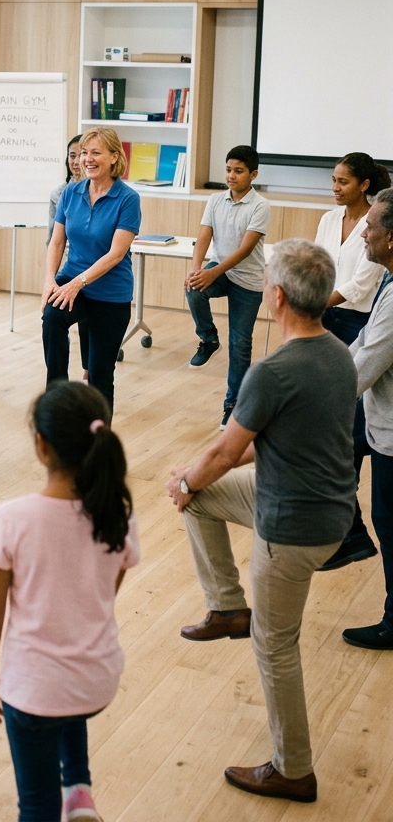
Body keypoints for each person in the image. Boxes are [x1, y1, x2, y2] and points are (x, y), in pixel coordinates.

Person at [167, 239, 357, 804]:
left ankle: (292, 768)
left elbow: (226, 452)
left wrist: (184, 478)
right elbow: (248, 446)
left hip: (293, 527)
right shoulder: (338, 353)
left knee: (276, 648)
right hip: (332, 507)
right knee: (201, 497)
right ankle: (228, 606)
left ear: (275, 297)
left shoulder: (271, 371)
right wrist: (193, 482)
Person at [0, 381, 138, 822]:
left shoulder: (13, 519)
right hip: (97, 681)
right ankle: (79, 789)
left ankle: (66, 798)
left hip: (32, 692)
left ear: (40, 445)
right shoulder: (118, 512)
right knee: (67, 698)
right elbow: (109, 587)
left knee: (36, 804)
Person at [314, 152, 389, 573]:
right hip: (326, 318)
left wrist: (312, 303)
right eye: (333, 180)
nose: (335, 187)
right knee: (340, 435)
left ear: (363, 184)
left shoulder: (377, 226)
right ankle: (349, 534)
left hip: (357, 322)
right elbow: (317, 262)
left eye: (343, 181)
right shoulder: (329, 219)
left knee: (349, 432)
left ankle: (350, 534)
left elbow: (362, 285)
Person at [42, 127, 140, 416]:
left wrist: (77, 284)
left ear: (113, 157)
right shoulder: (70, 192)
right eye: (84, 153)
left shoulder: (128, 198)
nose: (87, 159)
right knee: (52, 317)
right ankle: (57, 399)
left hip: (111, 293)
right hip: (73, 278)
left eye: (96, 152)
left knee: (99, 375)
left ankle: (99, 442)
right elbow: (57, 240)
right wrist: (51, 281)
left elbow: (116, 254)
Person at [184, 145, 271, 429]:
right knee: (193, 288)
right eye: (228, 170)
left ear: (253, 174)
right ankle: (208, 339)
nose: (231, 176)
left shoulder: (260, 206)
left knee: (240, 344)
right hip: (220, 270)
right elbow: (203, 235)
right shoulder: (215, 200)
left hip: (247, 281)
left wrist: (213, 273)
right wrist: (198, 270)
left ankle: (232, 407)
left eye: (238, 171)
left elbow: (246, 249)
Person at [343, 188, 393, 651]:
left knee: (392, 522)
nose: (364, 232)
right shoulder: (390, 283)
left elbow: (364, 365)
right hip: (384, 428)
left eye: (372, 226)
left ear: (392, 238)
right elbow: (360, 346)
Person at [46, 136, 90, 381]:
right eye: (71, 156)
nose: (76, 161)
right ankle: (58, 386)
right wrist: (51, 277)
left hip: (95, 266)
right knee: (56, 314)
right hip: (70, 264)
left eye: (79, 155)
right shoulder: (61, 192)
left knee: (89, 321)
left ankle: (88, 366)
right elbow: (53, 236)